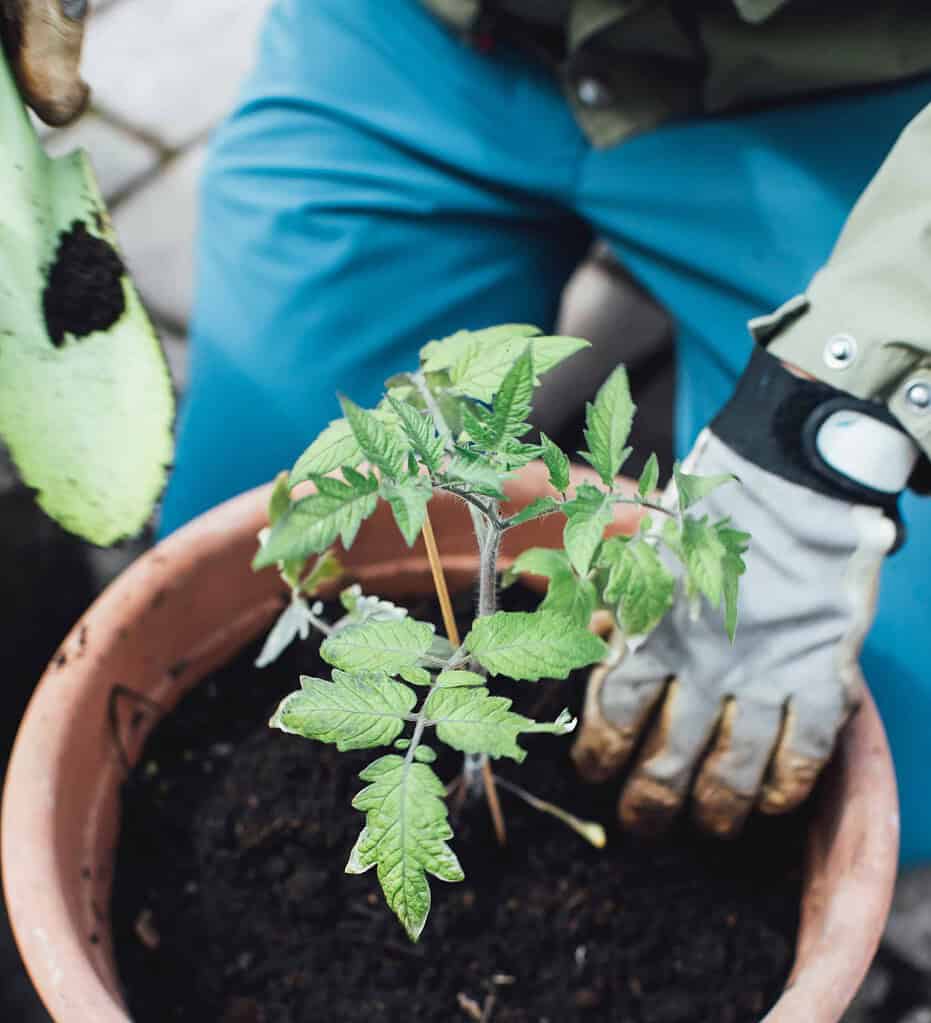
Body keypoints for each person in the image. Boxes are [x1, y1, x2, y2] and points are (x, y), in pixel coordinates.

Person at [9, 0, 930, 860]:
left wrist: (837, 416)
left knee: (890, 770)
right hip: (424, 39)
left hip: (844, 108)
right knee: (238, 572)